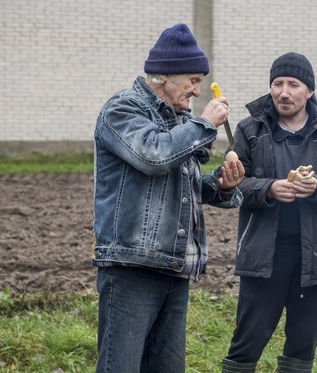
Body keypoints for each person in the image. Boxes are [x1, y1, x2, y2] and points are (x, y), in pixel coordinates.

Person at [92, 23, 245, 372]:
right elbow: (154, 156)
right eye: (192, 79)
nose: (197, 90)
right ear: (165, 76)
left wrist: (222, 185)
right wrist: (205, 124)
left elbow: (183, 188)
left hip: (173, 267)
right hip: (132, 267)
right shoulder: (122, 109)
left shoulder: (179, 121)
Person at [221, 52, 317, 373]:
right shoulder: (250, 130)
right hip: (263, 257)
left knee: (301, 348)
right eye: (277, 83)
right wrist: (269, 188)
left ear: (309, 90)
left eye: (293, 84)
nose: (284, 92)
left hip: (314, 257)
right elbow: (230, 186)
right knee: (246, 345)